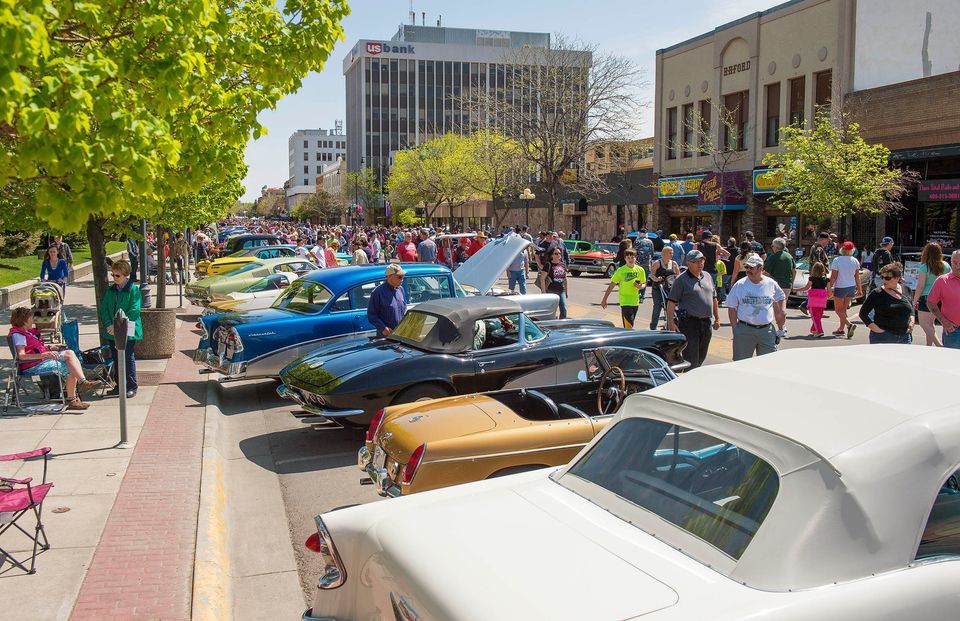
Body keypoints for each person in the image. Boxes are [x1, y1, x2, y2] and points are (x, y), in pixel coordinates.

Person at [8, 306, 100, 410]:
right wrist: (44, 355)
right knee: (70, 359)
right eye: (30, 318)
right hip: (31, 366)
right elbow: (22, 356)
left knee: (71, 361)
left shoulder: (27, 332)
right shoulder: (19, 335)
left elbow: (34, 348)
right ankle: (77, 391)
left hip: (38, 362)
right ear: (24, 320)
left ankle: (79, 389)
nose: (32, 320)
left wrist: (50, 347)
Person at [666, 250, 720, 369]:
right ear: (689, 263)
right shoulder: (681, 279)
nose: (700, 264)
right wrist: (670, 322)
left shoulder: (707, 276)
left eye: (702, 261)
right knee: (691, 359)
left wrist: (717, 318)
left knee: (701, 355)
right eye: (696, 262)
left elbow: (714, 298)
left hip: (706, 323)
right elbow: (671, 302)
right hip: (689, 324)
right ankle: (690, 381)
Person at [725, 255, 786, 360]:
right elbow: (731, 307)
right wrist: (735, 329)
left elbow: (781, 297)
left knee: (768, 363)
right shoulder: (740, 285)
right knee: (741, 363)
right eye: (746, 267)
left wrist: (782, 311)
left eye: (751, 268)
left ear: (760, 268)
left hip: (766, 330)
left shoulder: (771, 283)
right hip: (745, 329)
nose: (748, 270)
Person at [100, 259, 142, 398]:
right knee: (116, 357)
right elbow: (105, 308)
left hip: (127, 330)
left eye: (117, 275)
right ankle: (120, 385)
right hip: (113, 331)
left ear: (125, 275)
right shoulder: (111, 290)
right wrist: (109, 325)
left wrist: (118, 325)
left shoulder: (133, 290)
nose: (115, 278)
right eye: (113, 275)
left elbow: (134, 310)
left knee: (127, 357)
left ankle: (131, 386)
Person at [858, 262, 914, 344]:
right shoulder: (877, 293)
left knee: (903, 357)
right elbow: (863, 313)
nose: (883, 280)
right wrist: (876, 329)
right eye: (882, 277)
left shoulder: (906, 290)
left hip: (904, 336)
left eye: (887, 278)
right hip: (882, 337)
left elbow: (911, 308)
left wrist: (912, 321)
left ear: (897, 278)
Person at [913, 242, 950, 346]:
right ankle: (928, 347)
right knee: (931, 324)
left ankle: (939, 346)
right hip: (941, 297)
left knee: (924, 324)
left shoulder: (924, 267)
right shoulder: (946, 265)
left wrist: (914, 300)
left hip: (926, 297)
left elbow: (920, 286)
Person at [600, 248, 646, 328]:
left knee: (630, 325)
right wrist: (604, 299)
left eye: (632, 257)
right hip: (625, 300)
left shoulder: (640, 270)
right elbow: (612, 285)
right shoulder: (621, 270)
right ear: (625, 259)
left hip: (635, 301)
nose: (630, 259)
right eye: (628, 258)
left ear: (636, 258)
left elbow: (644, 283)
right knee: (629, 325)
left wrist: (640, 286)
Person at [828, 241, 862, 338]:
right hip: (851, 287)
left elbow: (833, 276)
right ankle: (841, 329)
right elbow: (857, 277)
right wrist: (859, 289)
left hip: (840, 286)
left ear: (842, 249)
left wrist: (829, 287)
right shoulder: (855, 261)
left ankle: (849, 324)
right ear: (852, 250)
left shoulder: (837, 260)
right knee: (843, 310)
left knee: (838, 310)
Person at [927, 250, 960, 349]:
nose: (958, 265)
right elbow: (930, 302)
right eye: (954, 262)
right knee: (951, 362)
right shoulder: (942, 281)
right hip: (953, 331)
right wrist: (943, 321)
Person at [762, 237, 796, 334]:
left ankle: (781, 328)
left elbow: (767, 273)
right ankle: (782, 326)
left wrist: (757, 276)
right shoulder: (789, 256)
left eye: (772, 246)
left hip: (776, 285)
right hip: (787, 285)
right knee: (783, 305)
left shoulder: (773, 257)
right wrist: (792, 283)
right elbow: (794, 271)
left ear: (776, 247)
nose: (772, 247)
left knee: (778, 308)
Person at [367, 264, 407, 337]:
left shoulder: (401, 289)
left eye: (403, 277)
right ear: (389, 277)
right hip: (386, 337)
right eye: (399, 277)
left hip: (400, 334)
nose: (402, 280)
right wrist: (383, 328)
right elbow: (372, 315)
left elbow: (404, 309)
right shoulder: (377, 292)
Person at [647, 245, 679, 330]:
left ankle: (669, 326)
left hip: (670, 288)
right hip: (658, 288)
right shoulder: (657, 263)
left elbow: (678, 276)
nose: (671, 254)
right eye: (670, 252)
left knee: (670, 308)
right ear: (664, 253)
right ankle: (653, 327)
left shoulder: (674, 264)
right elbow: (651, 275)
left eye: (672, 252)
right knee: (657, 307)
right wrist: (657, 279)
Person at [795, 261, 829, 336]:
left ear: (813, 270)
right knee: (819, 315)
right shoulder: (826, 280)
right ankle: (813, 329)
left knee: (814, 315)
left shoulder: (812, 279)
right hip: (822, 299)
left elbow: (806, 288)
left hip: (813, 299)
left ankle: (820, 331)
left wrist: (796, 289)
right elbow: (829, 291)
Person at [545, 246, 569, 319]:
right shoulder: (548, 264)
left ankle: (562, 325)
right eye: (556, 253)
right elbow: (542, 278)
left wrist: (566, 292)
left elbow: (565, 278)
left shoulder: (562, 264)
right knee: (551, 311)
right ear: (552, 255)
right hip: (551, 290)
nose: (558, 255)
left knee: (564, 309)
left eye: (559, 253)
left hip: (561, 290)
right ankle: (551, 324)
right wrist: (543, 291)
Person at [634, 230, 654, 303]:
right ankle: (642, 296)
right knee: (644, 280)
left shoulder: (637, 241)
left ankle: (637, 294)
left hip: (637, 263)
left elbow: (633, 252)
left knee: (637, 279)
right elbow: (652, 253)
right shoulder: (650, 242)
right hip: (646, 264)